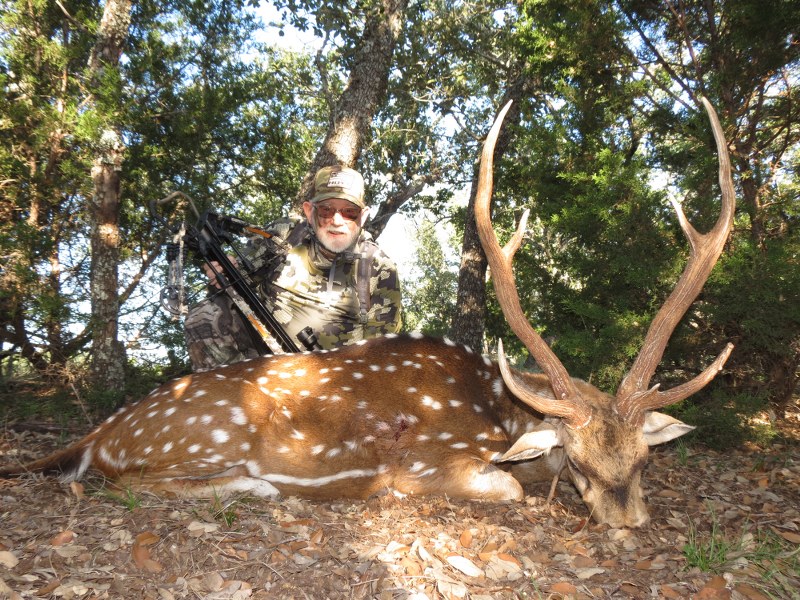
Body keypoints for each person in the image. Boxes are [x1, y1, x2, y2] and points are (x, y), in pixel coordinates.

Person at [184, 165, 403, 371]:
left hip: (331, 378)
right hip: (260, 357)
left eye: (349, 212)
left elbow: (379, 357)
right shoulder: (285, 234)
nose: (337, 220)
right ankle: (234, 393)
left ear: (363, 216)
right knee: (204, 316)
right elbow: (237, 284)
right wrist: (224, 271)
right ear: (309, 211)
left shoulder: (379, 269)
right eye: (326, 210)